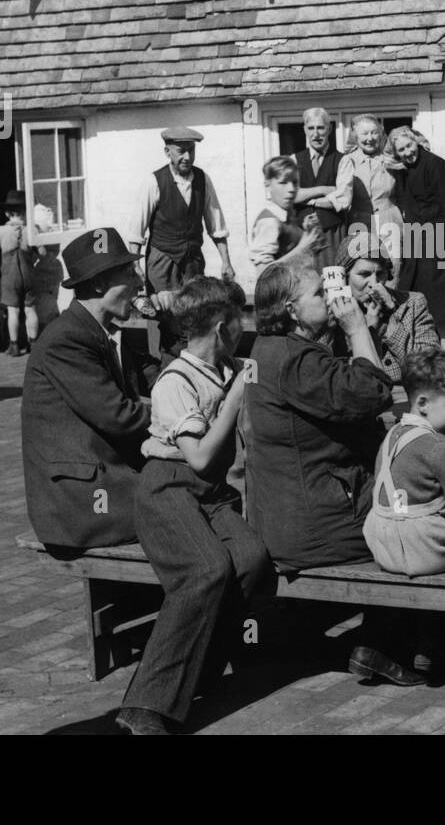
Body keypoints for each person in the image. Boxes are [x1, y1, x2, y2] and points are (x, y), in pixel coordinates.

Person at [244, 262, 422, 685]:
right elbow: (371, 393)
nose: (330, 298)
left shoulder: (272, 350)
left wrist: (359, 333)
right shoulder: (293, 360)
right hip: (318, 524)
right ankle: (383, 645)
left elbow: (339, 385)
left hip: (292, 512)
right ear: (290, 309)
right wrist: (357, 330)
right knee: (411, 532)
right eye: (318, 295)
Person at [127, 278, 271, 736]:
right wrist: (237, 396)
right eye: (240, 319)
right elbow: (202, 455)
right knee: (205, 570)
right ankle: (144, 706)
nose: (244, 327)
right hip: (168, 489)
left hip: (210, 496)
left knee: (251, 562)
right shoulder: (175, 381)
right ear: (222, 325)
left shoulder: (225, 368)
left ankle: (197, 675)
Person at [21, 228, 151, 552]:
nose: (139, 283)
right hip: (83, 504)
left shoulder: (100, 332)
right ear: (98, 284)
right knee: (191, 501)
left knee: (198, 493)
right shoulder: (66, 340)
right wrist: (186, 414)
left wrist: (176, 323)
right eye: (129, 273)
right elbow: (120, 416)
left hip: (104, 482)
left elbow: (157, 380)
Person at [364, 348, 445, 577]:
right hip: (428, 550)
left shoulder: (393, 433)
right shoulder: (440, 446)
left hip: (384, 547)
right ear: (424, 403)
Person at [132, 127, 235, 293]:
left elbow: (217, 227)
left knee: (194, 312)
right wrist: (135, 265)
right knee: (163, 312)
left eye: (191, 150)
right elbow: (136, 231)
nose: (187, 157)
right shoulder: (154, 182)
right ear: (167, 152)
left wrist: (226, 262)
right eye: (181, 151)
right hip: (162, 262)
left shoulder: (203, 180)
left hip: (192, 263)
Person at [326, 233, 439, 383]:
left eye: (380, 274)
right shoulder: (333, 309)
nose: (374, 283)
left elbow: (431, 367)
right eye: (364, 274)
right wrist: (327, 326)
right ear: (344, 277)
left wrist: (391, 319)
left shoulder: (412, 303)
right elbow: (321, 369)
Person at [388, 126, 445, 338]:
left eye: (409, 145)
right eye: (401, 149)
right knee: (413, 286)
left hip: (437, 231)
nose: (407, 152)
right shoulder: (403, 168)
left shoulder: (435, 164)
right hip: (415, 233)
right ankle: (420, 337)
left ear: (417, 142)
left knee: (439, 291)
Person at [336, 114, 401, 262]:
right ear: (355, 137)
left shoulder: (391, 160)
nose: (369, 138)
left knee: (394, 266)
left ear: (380, 134)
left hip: (389, 220)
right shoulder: (348, 161)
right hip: (359, 221)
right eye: (364, 133)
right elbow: (342, 196)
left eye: (374, 132)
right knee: (363, 264)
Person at [292, 107, 352, 266]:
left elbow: (343, 199)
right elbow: (292, 195)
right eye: (311, 128)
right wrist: (323, 190)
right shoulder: (294, 160)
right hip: (301, 232)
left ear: (329, 129)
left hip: (332, 232)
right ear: (305, 129)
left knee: (334, 280)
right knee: (304, 280)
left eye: (320, 128)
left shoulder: (342, 160)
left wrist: (307, 199)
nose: (316, 134)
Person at [0, 190, 40, 356]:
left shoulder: (1, 230)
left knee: (13, 311)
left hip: (10, 276)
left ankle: (14, 345)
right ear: (25, 212)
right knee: (31, 309)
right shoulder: (31, 229)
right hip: (28, 273)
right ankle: (34, 344)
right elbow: (42, 252)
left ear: (7, 213)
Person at [250, 156, 322, 272]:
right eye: (283, 182)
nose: (291, 189)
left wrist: (308, 234)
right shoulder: (269, 221)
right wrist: (303, 247)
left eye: (295, 182)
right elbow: (264, 271)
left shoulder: (287, 216)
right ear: (267, 185)